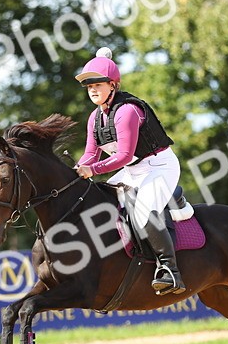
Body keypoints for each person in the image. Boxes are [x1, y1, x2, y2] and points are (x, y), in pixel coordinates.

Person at [73, 47, 186, 295]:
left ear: (113, 85)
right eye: (89, 86)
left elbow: (123, 155)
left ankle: (169, 270)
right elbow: (91, 154)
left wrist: (92, 170)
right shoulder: (94, 118)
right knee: (98, 201)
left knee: (143, 212)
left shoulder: (127, 111)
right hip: (132, 171)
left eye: (98, 84)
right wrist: (77, 170)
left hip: (159, 166)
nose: (92, 90)